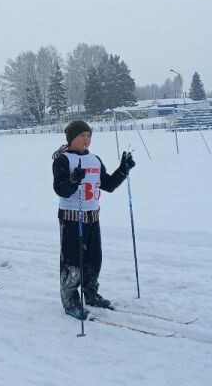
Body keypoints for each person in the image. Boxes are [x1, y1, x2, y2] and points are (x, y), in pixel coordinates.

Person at [51, 121, 134, 320]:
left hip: (92, 217)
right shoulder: (63, 160)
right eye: (82, 135)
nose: (87, 139)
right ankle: (70, 300)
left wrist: (123, 170)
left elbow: (108, 185)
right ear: (71, 138)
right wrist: (73, 180)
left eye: (89, 135)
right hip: (72, 218)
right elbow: (60, 189)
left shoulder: (95, 160)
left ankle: (90, 293)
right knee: (73, 262)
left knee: (94, 260)